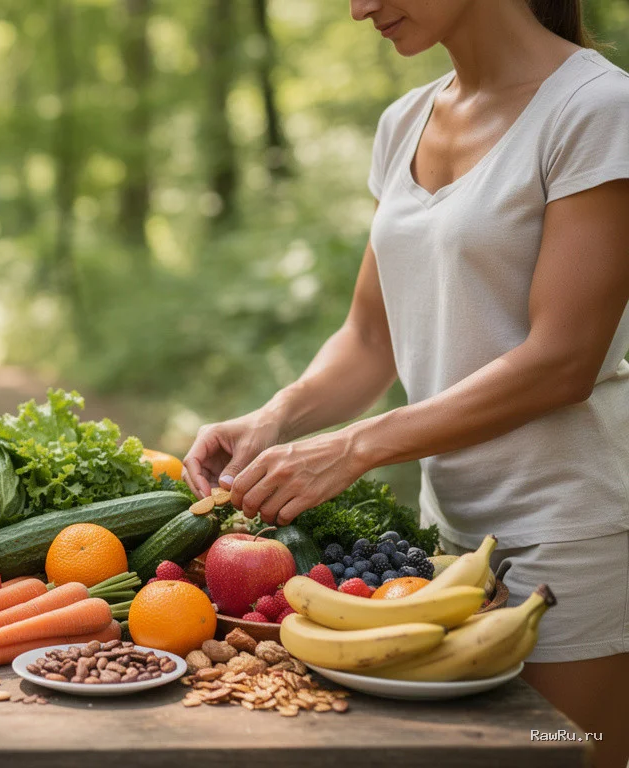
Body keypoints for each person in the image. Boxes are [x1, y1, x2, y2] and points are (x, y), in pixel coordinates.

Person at [181, 1, 628, 765]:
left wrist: (352, 449)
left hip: (570, 534)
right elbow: (368, 339)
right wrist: (277, 416)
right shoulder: (405, 123)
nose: (359, 9)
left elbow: (563, 362)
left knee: (574, 752)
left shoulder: (596, 110)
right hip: (439, 545)